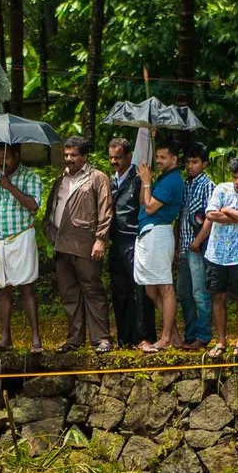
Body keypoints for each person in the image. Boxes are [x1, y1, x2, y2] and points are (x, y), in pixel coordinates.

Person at [41, 135, 114, 352]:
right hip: (61, 244)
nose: (69, 159)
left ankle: (102, 338)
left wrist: (100, 239)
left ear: (84, 156)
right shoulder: (60, 180)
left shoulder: (97, 178)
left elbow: (105, 210)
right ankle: (74, 339)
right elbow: (50, 210)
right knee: (69, 293)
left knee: (92, 289)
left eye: (73, 155)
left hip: (86, 243)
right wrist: (48, 231)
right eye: (66, 154)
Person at [0, 142, 44, 353]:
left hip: (22, 236)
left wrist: (10, 187)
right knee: (2, 290)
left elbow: (34, 205)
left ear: (17, 155)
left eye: (5, 158)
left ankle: (36, 339)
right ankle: (5, 338)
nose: (1, 163)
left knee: (26, 288)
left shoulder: (30, 177)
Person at [201, 155, 238, 355]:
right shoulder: (221, 189)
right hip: (216, 254)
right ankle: (220, 341)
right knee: (218, 297)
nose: (237, 182)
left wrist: (226, 210)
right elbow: (210, 214)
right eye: (235, 177)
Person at [135, 142, 184, 352]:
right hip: (148, 232)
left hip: (159, 232)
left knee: (165, 286)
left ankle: (165, 338)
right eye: (157, 157)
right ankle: (174, 335)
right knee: (150, 288)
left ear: (174, 159)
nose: (158, 161)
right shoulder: (163, 178)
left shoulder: (173, 180)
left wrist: (147, 182)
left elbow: (150, 206)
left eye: (163, 157)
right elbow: (142, 202)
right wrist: (145, 182)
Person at [105, 134, 146, 345]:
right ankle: (124, 337)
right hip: (115, 240)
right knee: (119, 290)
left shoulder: (138, 178)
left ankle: (142, 337)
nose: (114, 162)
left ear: (129, 156)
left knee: (138, 291)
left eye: (118, 157)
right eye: (111, 158)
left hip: (134, 239)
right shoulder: (109, 180)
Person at [178, 146, 215, 347]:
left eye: (195, 162)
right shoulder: (185, 184)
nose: (190, 166)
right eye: (188, 162)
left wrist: (197, 242)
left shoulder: (208, 185)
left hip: (198, 247)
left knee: (200, 292)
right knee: (184, 292)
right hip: (184, 246)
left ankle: (203, 335)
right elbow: (181, 217)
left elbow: (210, 218)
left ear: (204, 163)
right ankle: (190, 333)